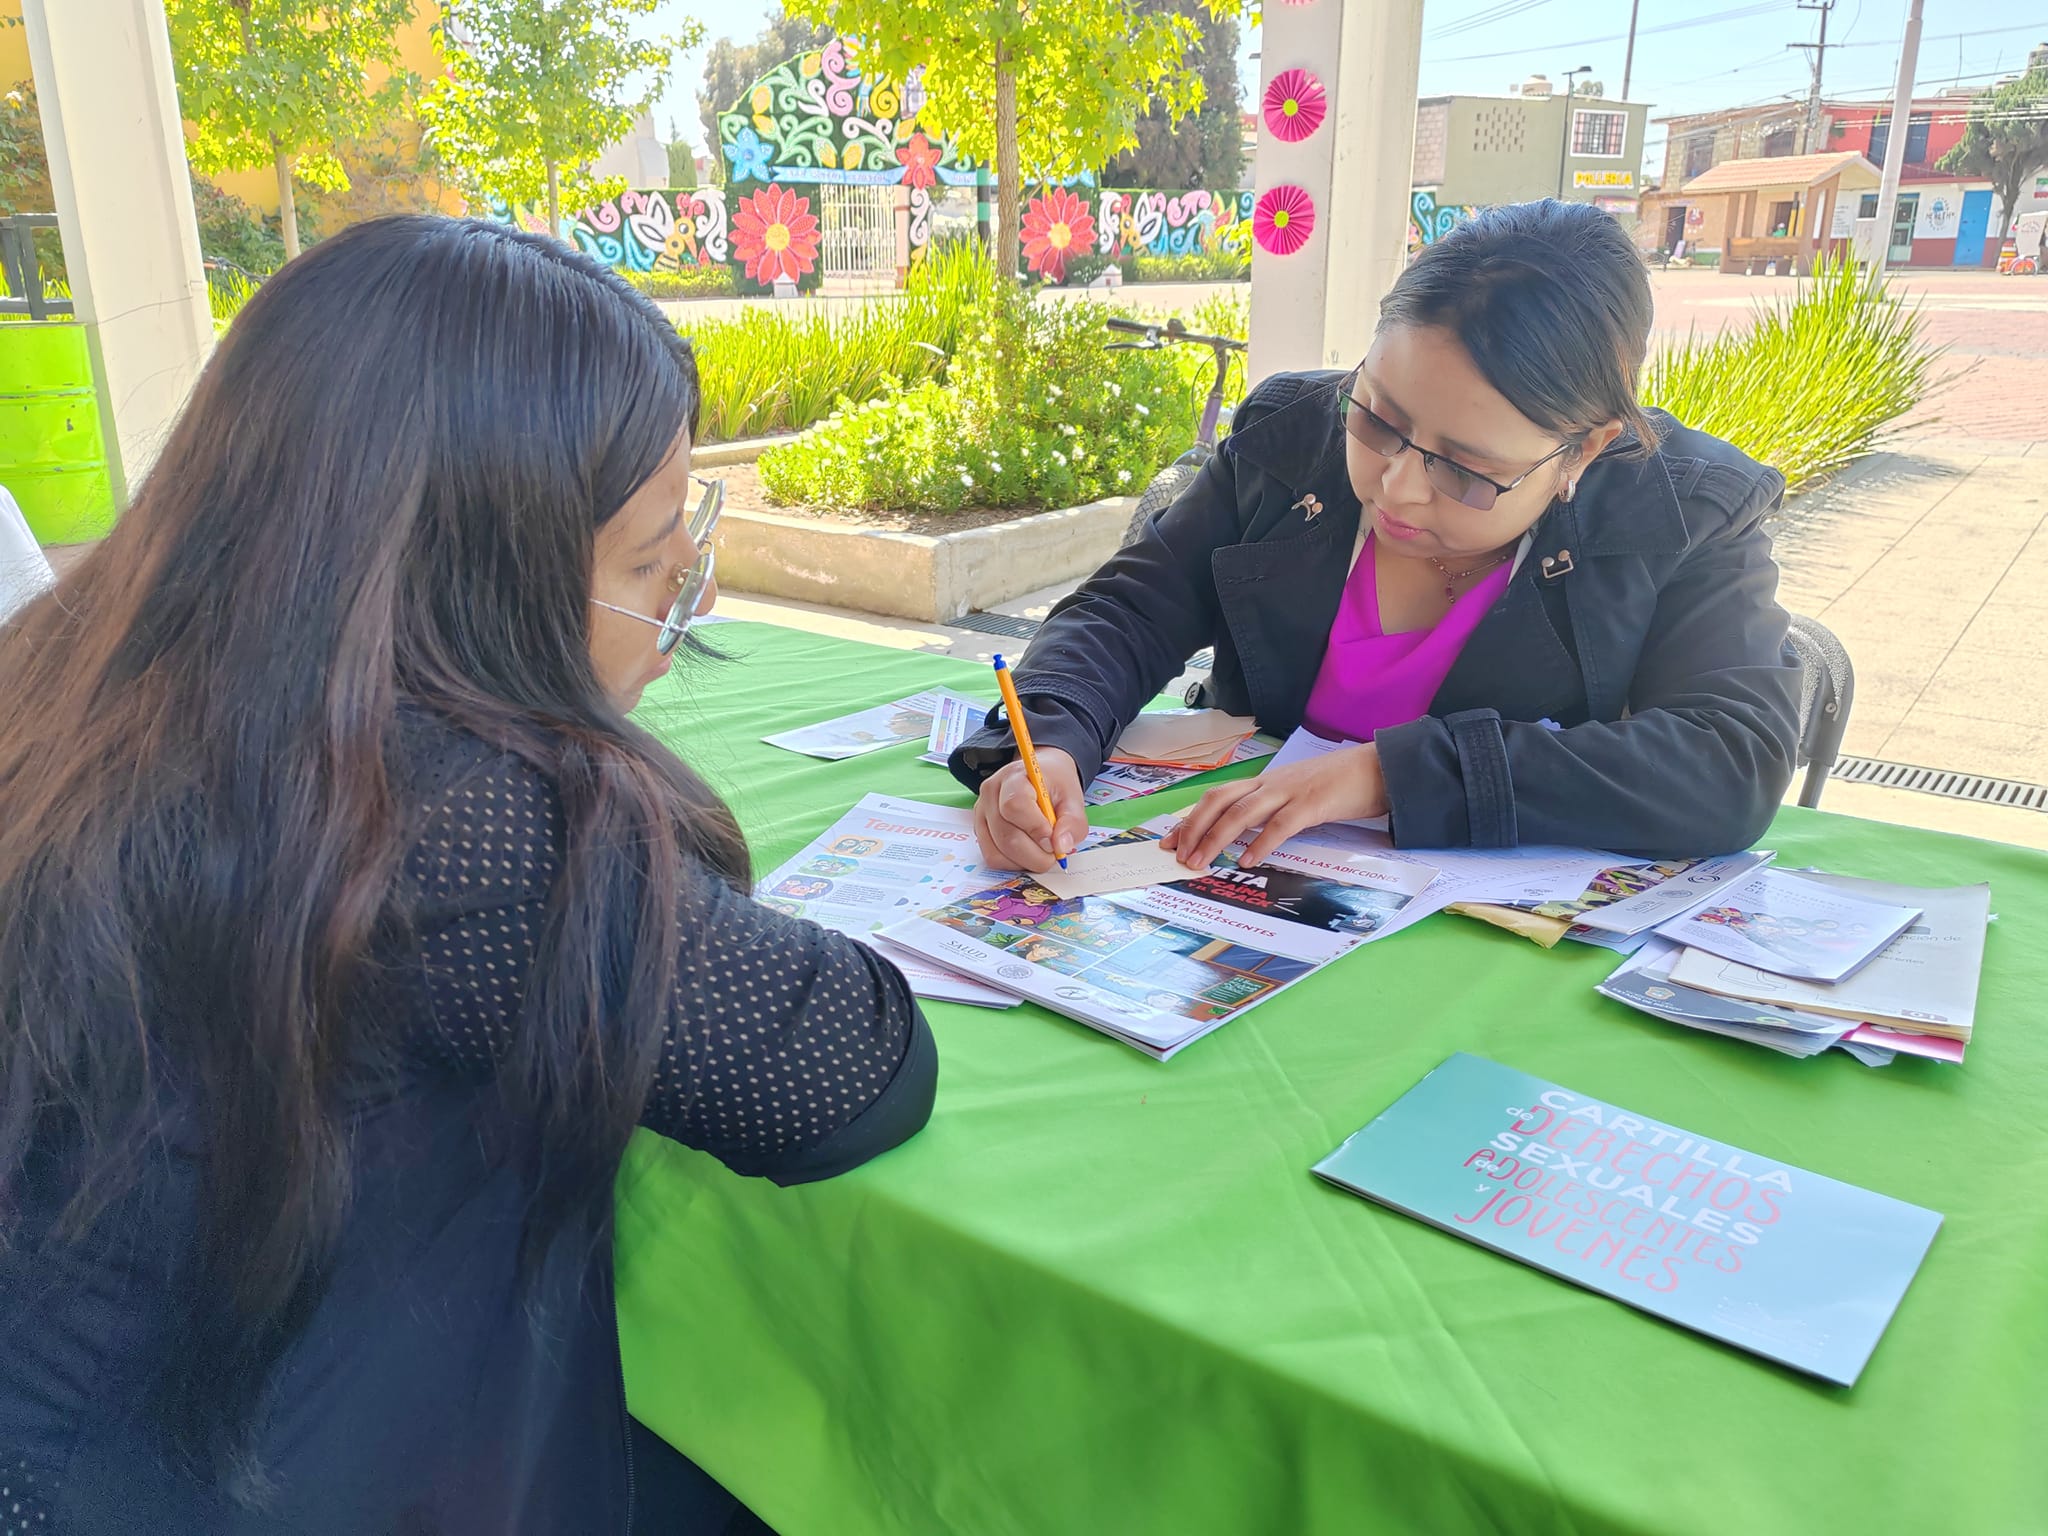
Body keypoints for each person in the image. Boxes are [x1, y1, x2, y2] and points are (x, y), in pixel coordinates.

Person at [0, 217, 935, 1533]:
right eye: (649, 558)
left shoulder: (83, 664)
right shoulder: (439, 812)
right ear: (480, 579)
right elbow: (858, 1067)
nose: (691, 600)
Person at [954, 200, 1801, 873]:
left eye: (1466, 470)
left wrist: (1389, 776)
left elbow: (1730, 759)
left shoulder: (1685, 513)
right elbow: (1131, 612)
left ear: (1586, 448)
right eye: (1377, 416)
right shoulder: (1291, 438)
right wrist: (1053, 741)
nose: (1394, 486)